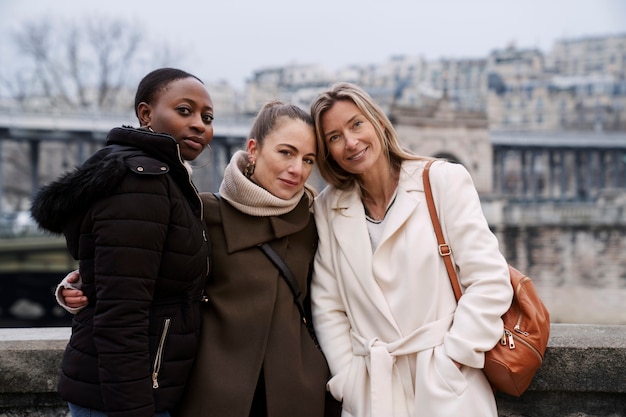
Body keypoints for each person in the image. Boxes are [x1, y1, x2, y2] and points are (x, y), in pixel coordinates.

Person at [59, 101, 340, 417]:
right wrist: (81, 286)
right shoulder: (201, 213)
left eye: (308, 160)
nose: (297, 169)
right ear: (254, 150)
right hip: (211, 393)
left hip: (298, 394)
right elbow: (137, 272)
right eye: (286, 152)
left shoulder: (316, 222)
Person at [308, 82, 514, 417]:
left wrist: (452, 359)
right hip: (373, 395)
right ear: (327, 151)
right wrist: (349, 380)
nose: (351, 142)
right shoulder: (327, 209)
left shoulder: (443, 181)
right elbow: (327, 306)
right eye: (334, 137)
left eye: (356, 124)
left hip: (448, 389)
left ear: (378, 121)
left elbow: (490, 280)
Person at [31, 67, 213, 417]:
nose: (200, 125)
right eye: (184, 110)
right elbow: (122, 314)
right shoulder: (141, 181)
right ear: (146, 113)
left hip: (138, 387)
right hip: (126, 397)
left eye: (207, 117)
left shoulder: (159, 179)